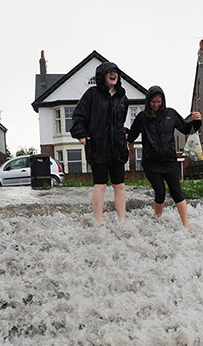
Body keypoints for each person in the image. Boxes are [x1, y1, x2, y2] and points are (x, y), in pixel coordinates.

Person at [127, 85, 202, 234]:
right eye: (153, 102)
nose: (156, 105)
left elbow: (186, 129)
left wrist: (197, 121)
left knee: (177, 192)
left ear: (163, 101)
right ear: (148, 101)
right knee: (160, 192)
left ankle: (186, 226)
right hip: (151, 163)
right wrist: (121, 132)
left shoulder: (171, 114)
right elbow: (132, 136)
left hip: (169, 161)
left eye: (159, 102)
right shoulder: (142, 117)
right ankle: (158, 220)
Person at [70, 61, 130, 226]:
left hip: (117, 146)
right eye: (109, 72)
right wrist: (81, 134)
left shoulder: (122, 97)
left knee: (120, 185)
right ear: (103, 75)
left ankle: (122, 220)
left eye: (115, 72)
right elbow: (78, 117)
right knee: (101, 184)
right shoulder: (92, 94)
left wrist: (123, 131)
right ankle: (99, 222)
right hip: (98, 145)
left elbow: (119, 120)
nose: (113, 74)